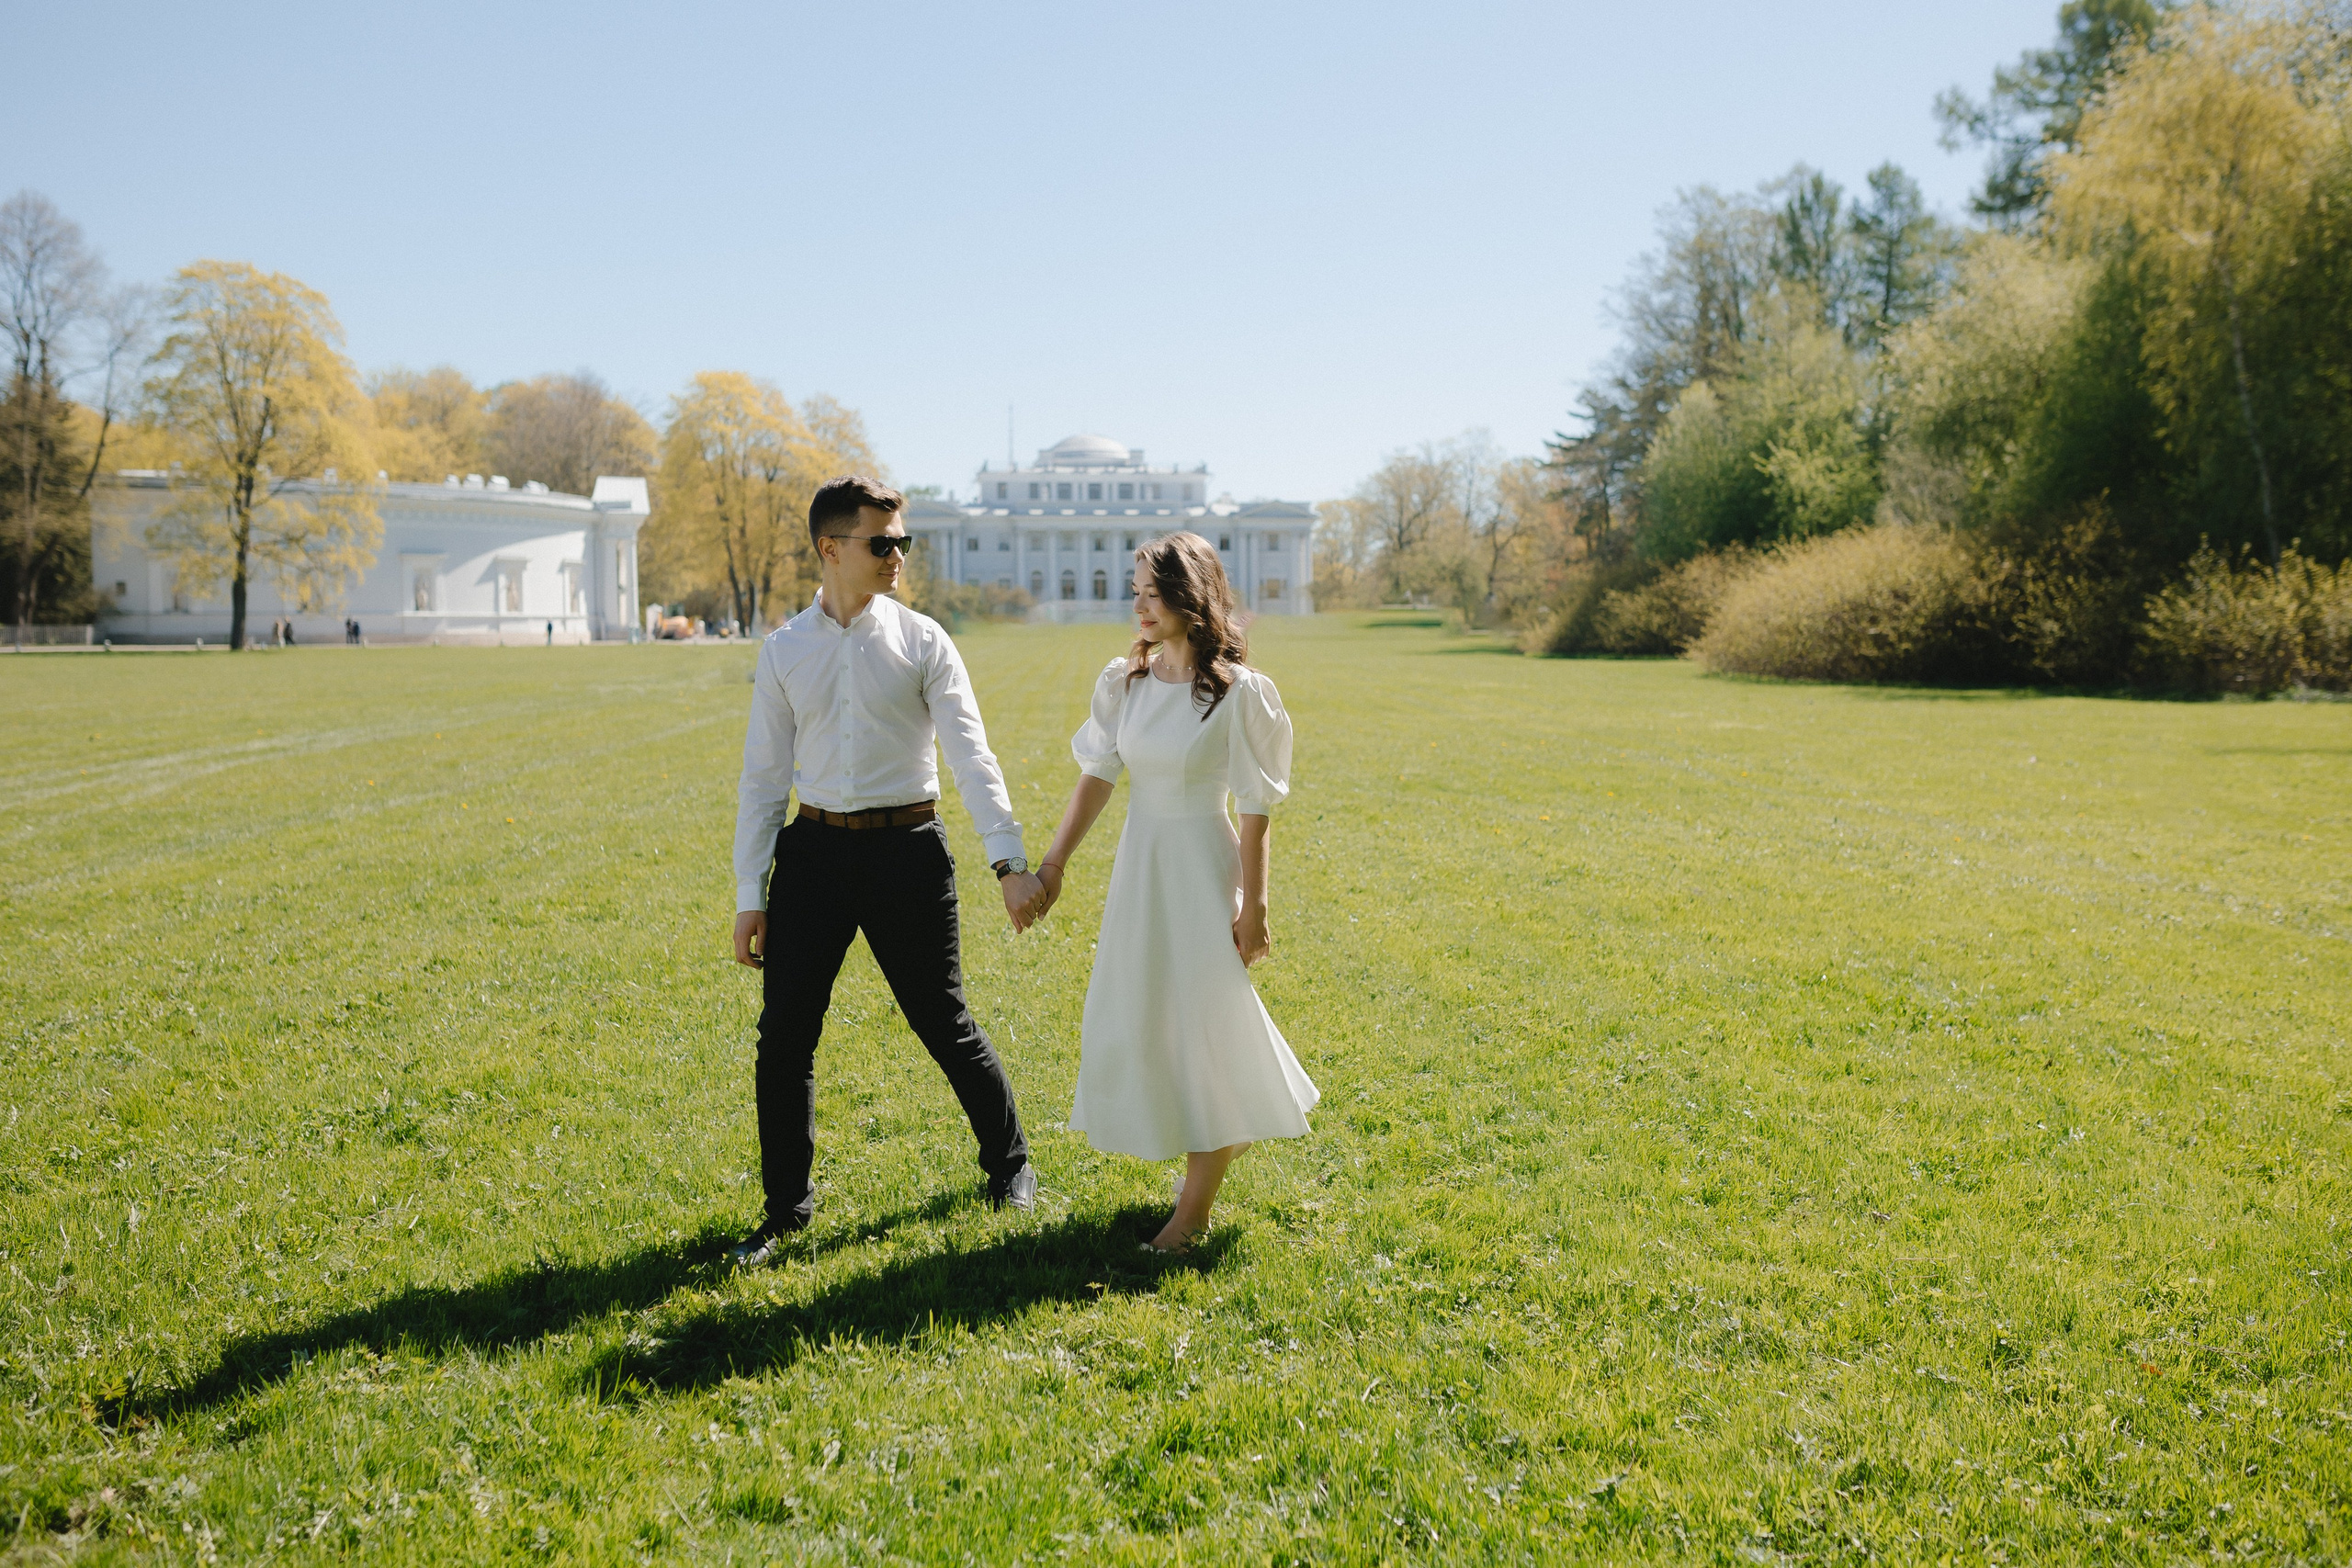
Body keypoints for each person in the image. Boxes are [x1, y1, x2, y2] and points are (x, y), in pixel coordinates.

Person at [728, 475, 1047, 1267]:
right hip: (813, 856)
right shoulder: (785, 649)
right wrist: (749, 894)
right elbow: (764, 780)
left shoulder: (924, 640)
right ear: (830, 548)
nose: (897, 554)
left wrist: (1008, 860)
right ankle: (784, 1211)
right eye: (881, 542)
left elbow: (971, 756)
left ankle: (1011, 1166)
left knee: (944, 1020)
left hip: (909, 852)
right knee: (784, 1037)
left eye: (903, 541)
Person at [1028, 532, 1317, 1253]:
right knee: (1147, 1017)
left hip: (1201, 868)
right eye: (1137, 593)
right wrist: (1054, 864)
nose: (1141, 607)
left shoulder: (1239, 693)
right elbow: (1097, 777)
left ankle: (1189, 1219)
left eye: (1154, 594)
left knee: (1206, 1024)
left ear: (1192, 597)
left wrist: (1255, 908)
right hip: (1142, 868)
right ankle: (1234, 1123)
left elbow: (1255, 811)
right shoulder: (1125, 682)